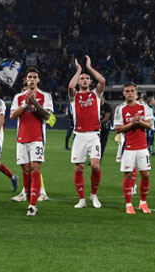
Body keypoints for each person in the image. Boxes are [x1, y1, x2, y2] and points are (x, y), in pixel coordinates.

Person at [10, 67, 54, 216]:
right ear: (26, 80)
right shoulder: (18, 97)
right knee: (26, 171)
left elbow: (47, 116)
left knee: (35, 168)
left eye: (35, 77)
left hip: (37, 138)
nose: (32, 79)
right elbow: (12, 116)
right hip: (22, 138)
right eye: (30, 77)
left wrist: (34, 103)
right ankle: (30, 201)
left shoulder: (45, 96)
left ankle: (32, 205)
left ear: (38, 80)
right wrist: (25, 104)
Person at [67, 55, 105, 209]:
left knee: (95, 166)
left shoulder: (95, 95)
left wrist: (89, 68)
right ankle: (81, 199)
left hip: (94, 135)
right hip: (79, 136)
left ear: (90, 82)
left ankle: (94, 195)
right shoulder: (74, 97)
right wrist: (79, 71)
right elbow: (70, 87)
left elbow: (102, 81)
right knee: (79, 167)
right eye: (81, 78)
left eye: (86, 78)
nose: (83, 80)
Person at [114, 83, 153, 214]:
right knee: (129, 175)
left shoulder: (144, 107)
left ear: (136, 93)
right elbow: (118, 129)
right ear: (124, 93)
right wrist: (132, 123)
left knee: (145, 175)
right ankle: (128, 204)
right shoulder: (120, 109)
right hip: (128, 147)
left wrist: (139, 122)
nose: (130, 93)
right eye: (127, 91)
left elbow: (149, 126)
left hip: (142, 146)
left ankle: (143, 203)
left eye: (132, 91)